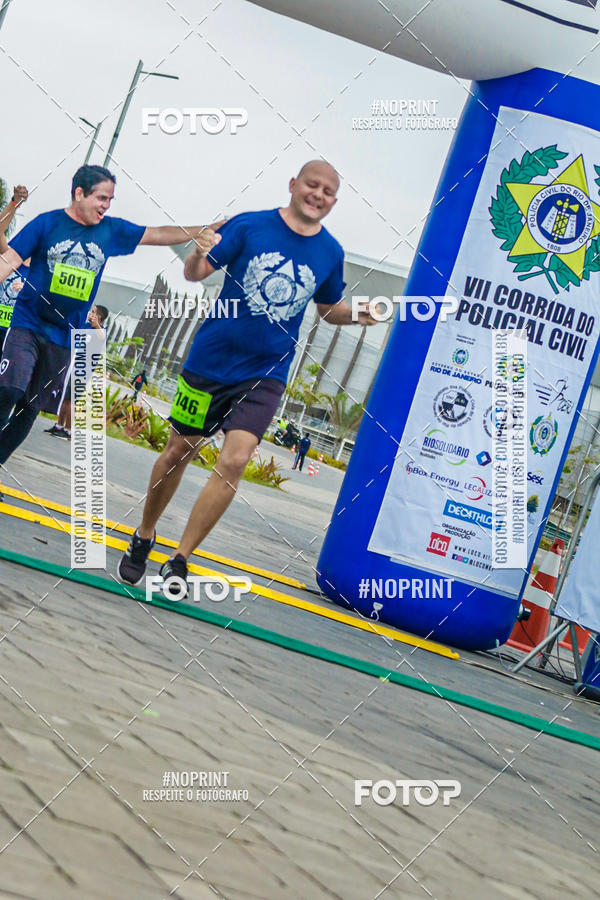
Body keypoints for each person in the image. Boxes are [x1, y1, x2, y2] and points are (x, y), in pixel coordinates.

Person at [118, 159, 377, 592]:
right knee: (179, 450)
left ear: (334, 202)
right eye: (312, 185)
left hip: (267, 371)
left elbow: (328, 309)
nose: (318, 196)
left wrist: (358, 315)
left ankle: (180, 559)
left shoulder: (330, 252)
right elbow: (195, 272)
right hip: (210, 361)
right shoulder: (250, 225)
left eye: (328, 192)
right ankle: (144, 534)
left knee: (235, 460)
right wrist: (199, 250)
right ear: (293, 185)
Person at [0, 164, 220, 465]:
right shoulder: (46, 224)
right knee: (9, 390)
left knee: (30, 407)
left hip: (64, 335)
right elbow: (9, 258)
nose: (105, 205)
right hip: (28, 323)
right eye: (101, 198)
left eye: (110, 200)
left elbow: (156, 234)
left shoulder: (110, 231)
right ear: (79, 193)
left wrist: (203, 230)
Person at [45, 304, 109, 439]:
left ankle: (69, 430)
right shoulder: (85, 326)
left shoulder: (101, 331)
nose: (90, 314)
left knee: (72, 400)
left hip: (82, 371)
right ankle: (59, 426)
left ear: (99, 317)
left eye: (93, 312)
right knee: (64, 398)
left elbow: (102, 336)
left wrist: (96, 324)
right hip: (71, 367)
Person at [0, 185, 29, 352]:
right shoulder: (9, 256)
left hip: (15, 335)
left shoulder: (41, 271)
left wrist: (29, 291)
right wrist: (15, 202)